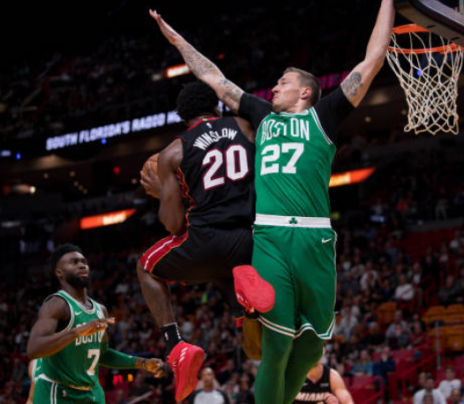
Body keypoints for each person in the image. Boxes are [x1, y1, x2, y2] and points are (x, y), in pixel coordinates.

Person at [148, 0, 395, 402]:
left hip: (316, 240)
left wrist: (387, 1)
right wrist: (176, 40)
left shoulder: (325, 116)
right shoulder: (261, 116)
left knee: (313, 348)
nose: (275, 86)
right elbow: (215, 78)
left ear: (306, 91)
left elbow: (373, 59)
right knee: (277, 346)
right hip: (269, 237)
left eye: (283, 81)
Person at [136, 81, 269, 401]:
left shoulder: (173, 152)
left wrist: (163, 192)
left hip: (205, 241)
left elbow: (173, 224)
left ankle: (176, 347)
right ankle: (249, 309)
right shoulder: (245, 125)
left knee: (145, 267)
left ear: (183, 117)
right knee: (254, 350)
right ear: (217, 106)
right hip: (249, 241)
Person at [26, 244, 165, 404]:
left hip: (91, 393)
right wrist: (76, 332)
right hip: (59, 393)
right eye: (74, 262)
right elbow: (33, 349)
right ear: (60, 273)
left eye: (83, 261)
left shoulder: (100, 310)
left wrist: (143, 363)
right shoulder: (57, 304)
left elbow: (103, 354)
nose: (81, 264)